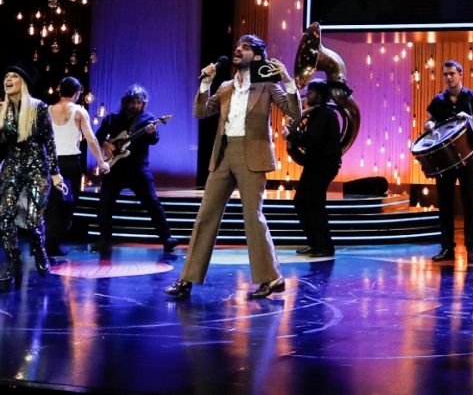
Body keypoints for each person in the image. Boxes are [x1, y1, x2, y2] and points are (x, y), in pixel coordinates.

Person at [166, 34, 300, 299]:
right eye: (238, 47)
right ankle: (187, 278)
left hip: (252, 156)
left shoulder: (267, 85)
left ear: (257, 56)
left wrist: (288, 81)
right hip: (223, 154)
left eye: (245, 48)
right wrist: (206, 83)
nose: (238, 50)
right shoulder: (226, 87)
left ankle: (272, 278)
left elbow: (294, 112)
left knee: (253, 218)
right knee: (205, 216)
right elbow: (201, 112)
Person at [0, 63, 65, 286]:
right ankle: (13, 261)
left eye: (14, 76)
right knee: (5, 216)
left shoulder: (38, 107)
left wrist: (55, 173)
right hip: (12, 163)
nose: (8, 79)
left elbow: (49, 141)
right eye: (6, 76)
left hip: (37, 165)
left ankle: (39, 248)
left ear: (23, 83)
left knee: (32, 220)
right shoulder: (4, 109)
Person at [94, 84, 177, 258]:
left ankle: (167, 239)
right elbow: (98, 137)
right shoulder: (112, 119)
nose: (136, 106)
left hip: (138, 169)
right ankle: (105, 240)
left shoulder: (148, 119)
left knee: (153, 203)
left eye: (139, 103)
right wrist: (105, 143)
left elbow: (154, 141)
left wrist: (151, 132)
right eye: (133, 102)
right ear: (126, 102)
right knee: (105, 205)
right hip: (114, 169)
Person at [423, 60, 473, 264]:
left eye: (452, 74)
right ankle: (447, 248)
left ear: (460, 74)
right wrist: (429, 125)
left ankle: (471, 249)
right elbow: (429, 121)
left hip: (468, 159)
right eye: (445, 74)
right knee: (445, 204)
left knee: (470, 203)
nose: (448, 78)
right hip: (444, 161)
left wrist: (470, 118)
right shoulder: (439, 100)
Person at [290, 79, 346, 258]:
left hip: (323, 166)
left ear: (320, 95)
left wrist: (292, 136)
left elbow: (311, 140)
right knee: (302, 202)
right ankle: (315, 243)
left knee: (314, 204)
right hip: (315, 165)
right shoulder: (316, 114)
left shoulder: (324, 114)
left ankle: (324, 246)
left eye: (311, 92)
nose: (307, 94)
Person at [46, 76, 98, 256]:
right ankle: (52, 244)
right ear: (76, 93)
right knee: (66, 203)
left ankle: (48, 243)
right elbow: (91, 139)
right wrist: (101, 161)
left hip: (50, 164)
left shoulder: (48, 110)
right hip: (68, 166)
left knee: (52, 204)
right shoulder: (79, 112)